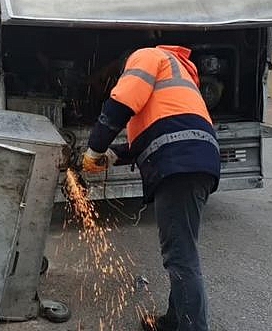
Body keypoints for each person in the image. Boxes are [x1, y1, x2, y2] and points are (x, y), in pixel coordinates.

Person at [81, 45, 221, 331]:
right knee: (183, 249)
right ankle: (174, 320)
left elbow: (121, 102)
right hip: (195, 158)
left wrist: (95, 147)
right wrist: (113, 155)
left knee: (181, 256)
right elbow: (158, 132)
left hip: (180, 164)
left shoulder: (145, 56)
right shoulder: (176, 72)